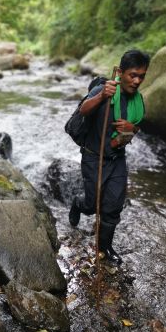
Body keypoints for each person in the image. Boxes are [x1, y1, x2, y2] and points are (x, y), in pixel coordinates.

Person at [68, 49, 150, 265]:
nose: (137, 80)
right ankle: (78, 203)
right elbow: (83, 110)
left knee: (113, 206)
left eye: (141, 76)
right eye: (133, 75)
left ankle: (104, 248)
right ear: (121, 72)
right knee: (92, 203)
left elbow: (136, 128)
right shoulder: (104, 89)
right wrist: (102, 95)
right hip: (94, 158)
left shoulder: (136, 100)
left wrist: (133, 128)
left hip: (117, 159)